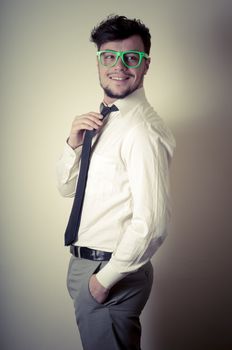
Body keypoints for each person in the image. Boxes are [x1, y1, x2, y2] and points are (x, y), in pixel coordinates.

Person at [56, 15, 175, 350]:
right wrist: (73, 144)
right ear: (98, 61)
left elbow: (153, 225)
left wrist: (102, 282)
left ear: (146, 65)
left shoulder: (141, 130)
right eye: (110, 56)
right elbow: (68, 189)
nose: (119, 66)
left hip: (110, 272)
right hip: (90, 265)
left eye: (131, 57)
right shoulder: (106, 122)